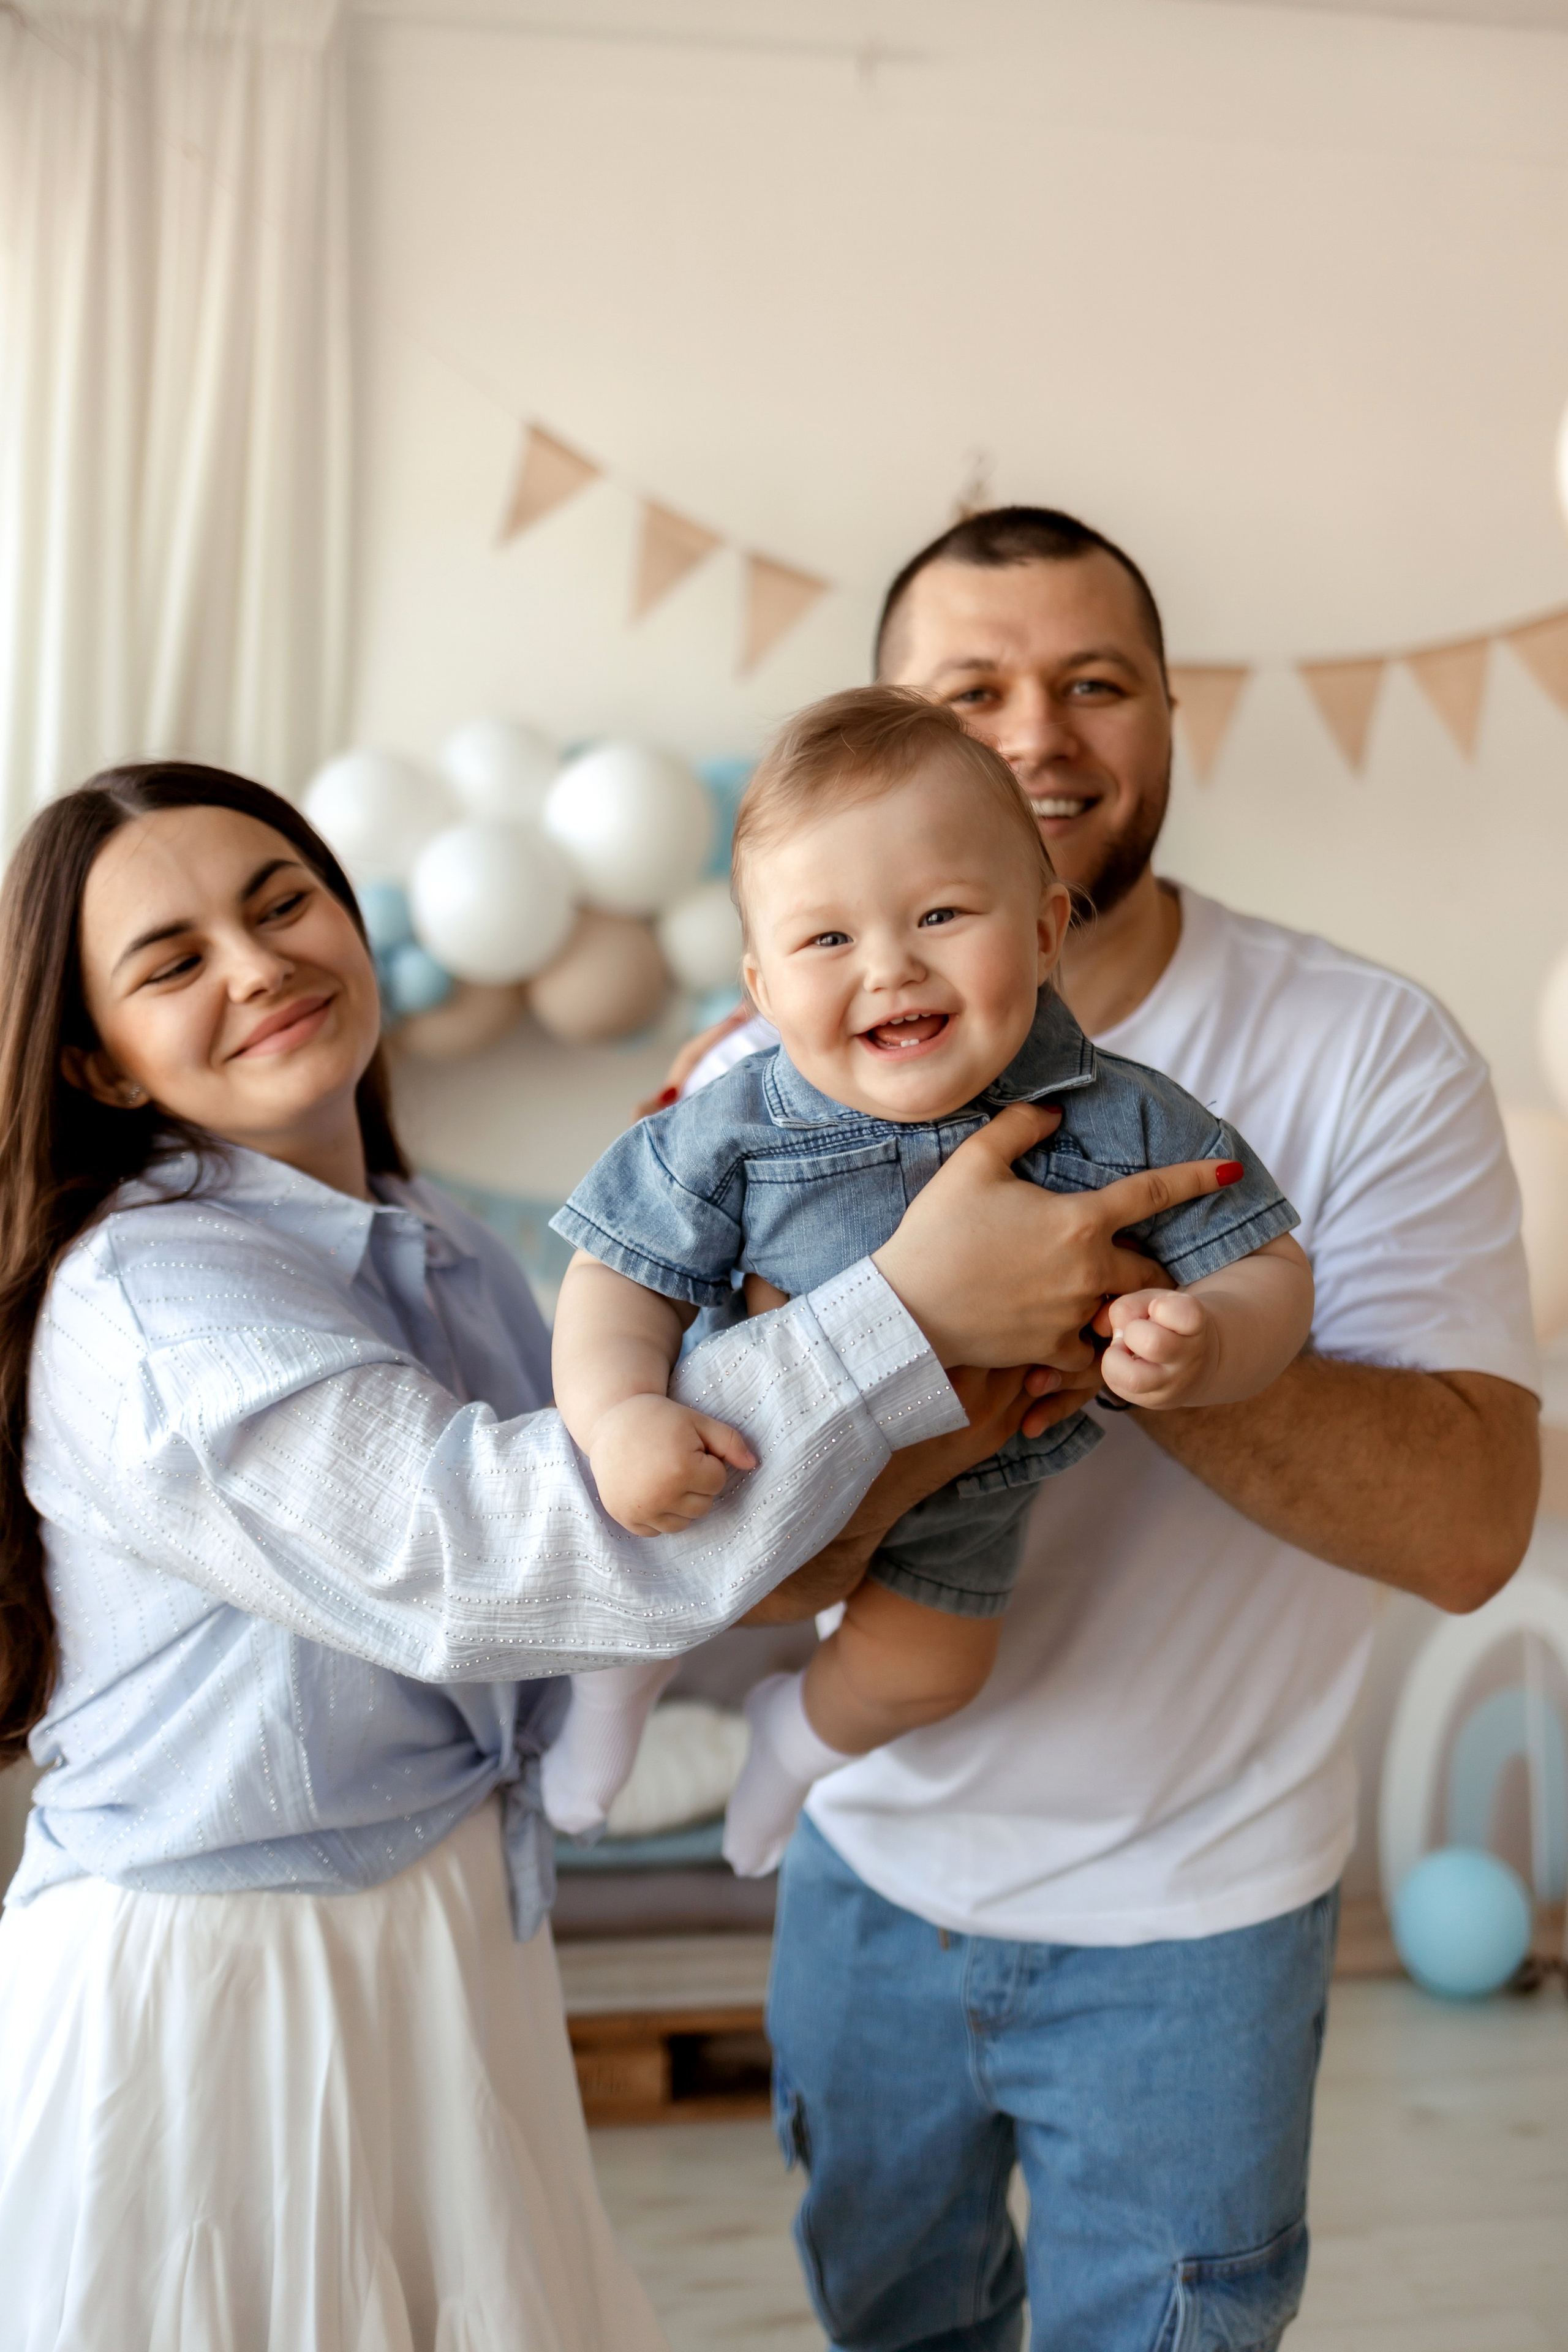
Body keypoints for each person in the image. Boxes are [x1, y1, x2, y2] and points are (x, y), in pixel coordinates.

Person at [0, 760, 1232, 2350]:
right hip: (229, 1981)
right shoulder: (152, 1302)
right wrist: (906, 1312)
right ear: (97, 1060)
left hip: (453, 1931)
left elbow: (669, 1551)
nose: (257, 966)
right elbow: (491, 1559)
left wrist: (964, 1394)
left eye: (281, 900)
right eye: (174, 962)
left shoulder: (434, 1240)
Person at [685, 509, 1539, 2351]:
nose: (1036, 737)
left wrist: (1096, 1295)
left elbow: (1472, 1529)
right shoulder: (764, 1080)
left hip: (1197, 1918)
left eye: (1094, 684)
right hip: (865, 1865)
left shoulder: (1365, 1052)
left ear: (1166, 713)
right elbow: (714, 1551)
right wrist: (917, 1327)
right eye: (968, 692)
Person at [541, 687, 1311, 1879]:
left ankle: (791, 1741)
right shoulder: (734, 1125)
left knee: (930, 1669)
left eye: (942, 914)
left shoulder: (1123, 1118)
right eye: (826, 941)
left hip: (967, 1494)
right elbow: (617, 1275)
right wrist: (619, 1416)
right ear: (760, 986)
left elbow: (1265, 1264)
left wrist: (1208, 1337)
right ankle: (613, 1686)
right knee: (656, 1578)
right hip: (749, 1455)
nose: (891, 967)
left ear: (1045, 932)